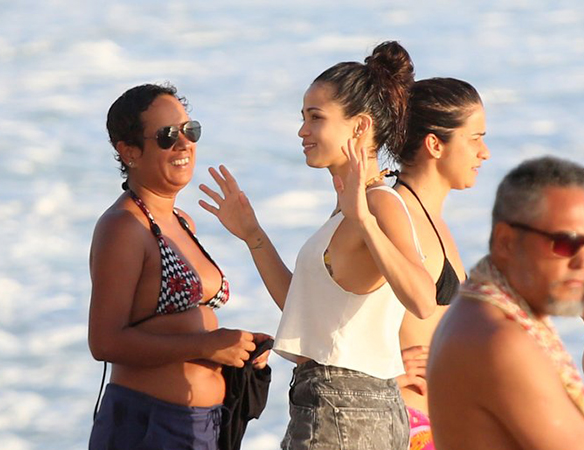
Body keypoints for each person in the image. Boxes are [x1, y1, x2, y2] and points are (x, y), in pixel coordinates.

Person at [199, 41, 434, 449]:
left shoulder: (378, 203)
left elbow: (422, 299)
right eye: (303, 117)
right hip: (336, 405)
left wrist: (363, 219)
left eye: (315, 118)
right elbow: (304, 307)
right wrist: (254, 235)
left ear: (360, 126)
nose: (302, 131)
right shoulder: (348, 208)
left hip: (342, 410)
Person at [87, 83, 270, 450]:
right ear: (129, 152)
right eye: (167, 136)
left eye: (190, 131)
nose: (184, 144)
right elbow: (104, 341)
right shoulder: (124, 227)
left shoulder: (182, 221)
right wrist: (207, 346)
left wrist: (240, 349)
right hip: (148, 425)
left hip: (203, 425)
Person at [427, 156, 584, 450]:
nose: (583, 261)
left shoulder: (477, 309)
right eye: (566, 243)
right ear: (506, 242)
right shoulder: (502, 340)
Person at [388, 77, 490, 450]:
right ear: (435, 144)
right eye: (475, 138)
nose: (485, 152)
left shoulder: (429, 216)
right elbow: (331, 308)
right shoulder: (394, 212)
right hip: (410, 425)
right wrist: (383, 373)